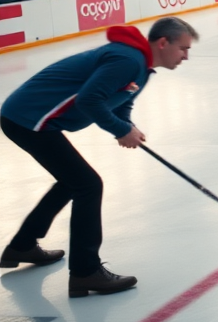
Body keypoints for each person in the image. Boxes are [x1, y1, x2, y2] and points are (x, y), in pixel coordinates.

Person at [0, 17, 198, 297]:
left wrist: (126, 126)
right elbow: (89, 100)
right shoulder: (129, 60)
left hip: (32, 119)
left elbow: (122, 101)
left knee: (72, 182)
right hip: (28, 119)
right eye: (183, 48)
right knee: (88, 185)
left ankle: (22, 246)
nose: (186, 56)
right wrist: (120, 130)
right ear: (163, 43)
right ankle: (85, 272)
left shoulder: (142, 66)